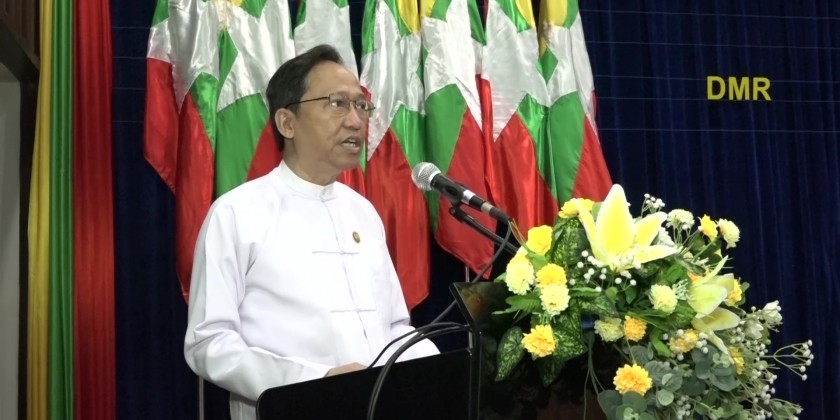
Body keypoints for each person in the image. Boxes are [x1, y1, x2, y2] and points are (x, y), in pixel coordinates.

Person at [184, 44, 439, 420]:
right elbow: (209, 343)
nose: (355, 121)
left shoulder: (363, 213)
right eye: (337, 104)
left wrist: (437, 367)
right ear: (287, 123)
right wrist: (315, 381)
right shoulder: (236, 214)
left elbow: (394, 327)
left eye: (361, 105)